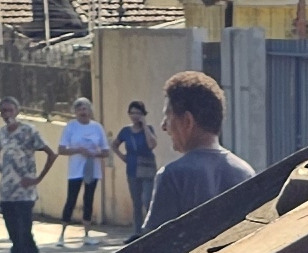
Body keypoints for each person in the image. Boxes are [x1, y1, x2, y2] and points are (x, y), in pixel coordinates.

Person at [151, 67, 250, 225]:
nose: (163, 126)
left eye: (167, 116)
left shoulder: (172, 176)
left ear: (188, 121)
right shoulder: (245, 173)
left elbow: (152, 244)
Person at [0, 96, 55, 253]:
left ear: (17, 111)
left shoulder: (28, 131)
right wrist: (3, 169)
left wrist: (37, 178)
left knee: (25, 233)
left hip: (25, 192)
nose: (7, 115)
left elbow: (51, 153)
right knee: (13, 236)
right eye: (3, 111)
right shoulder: (1, 133)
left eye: (10, 110)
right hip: (7, 192)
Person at [54, 100, 109, 242]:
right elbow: (61, 149)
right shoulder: (71, 127)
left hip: (92, 169)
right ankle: (62, 233)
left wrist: (94, 154)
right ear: (76, 112)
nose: (83, 112)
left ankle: (87, 234)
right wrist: (78, 150)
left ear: (90, 111)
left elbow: (105, 151)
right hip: (75, 170)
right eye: (80, 109)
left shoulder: (97, 127)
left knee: (88, 200)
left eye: (85, 109)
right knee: (71, 199)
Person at [118, 95, 158, 235]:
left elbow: (152, 144)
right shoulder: (125, 131)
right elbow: (114, 145)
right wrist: (122, 156)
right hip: (132, 168)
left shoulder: (149, 129)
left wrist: (145, 125)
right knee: (136, 202)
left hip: (147, 168)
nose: (135, 116)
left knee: (147, 199)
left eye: (138, 113)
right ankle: (137, 232)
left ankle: (151, 230)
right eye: (132, 113)